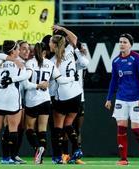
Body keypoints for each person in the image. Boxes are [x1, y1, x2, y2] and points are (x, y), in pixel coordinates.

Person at [0, 40, 47, 165]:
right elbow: (25, 83)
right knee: (13, 128)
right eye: (19, 49)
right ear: (13, 50)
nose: (20, 51)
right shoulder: (21, 64)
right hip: (12, 99)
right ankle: (10, 157)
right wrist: (39, 85)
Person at [24, 42, 77, 164]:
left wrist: (37, 85)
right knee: (42, 130)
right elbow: (61, 80)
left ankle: (38, 148)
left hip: (32, 101)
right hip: (46, 100)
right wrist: (72, 78)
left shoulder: (30, 63)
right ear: (45, 52)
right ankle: (40, 157)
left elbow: (26, 83)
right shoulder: (50, 63)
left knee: (29, 129)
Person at [105, 33, 139, 165]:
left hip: (136, 99)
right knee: (121, 128)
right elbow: (113, 80)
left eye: (124, 42)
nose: (121, 44)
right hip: (121, 98)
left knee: (136, 129)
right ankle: (123, 159)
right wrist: (109, 98)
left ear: (130, 44)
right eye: (120, 42)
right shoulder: (116, 61)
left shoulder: (137, 59)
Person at [49, 25, 83, 164]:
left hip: (63, 95)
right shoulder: (70, 51)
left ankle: (59, 157)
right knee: (69, 125)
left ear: (55, 44)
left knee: (58, 128)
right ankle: (77, 150)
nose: (49, 44)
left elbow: (56, 81)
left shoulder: (52, 62)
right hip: (76, 94)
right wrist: (62, 28)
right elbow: (74, 38)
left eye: (51, 42)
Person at [61, 41, 89, 164]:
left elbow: (84, 63)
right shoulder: (66, 61)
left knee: (77, 129)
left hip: (80, 98)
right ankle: (65, 154)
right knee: (66, 127)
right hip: (68, 96)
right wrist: (77, 51)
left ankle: (76, 156)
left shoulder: (80, 61)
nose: (82, 48)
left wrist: (81, 53)